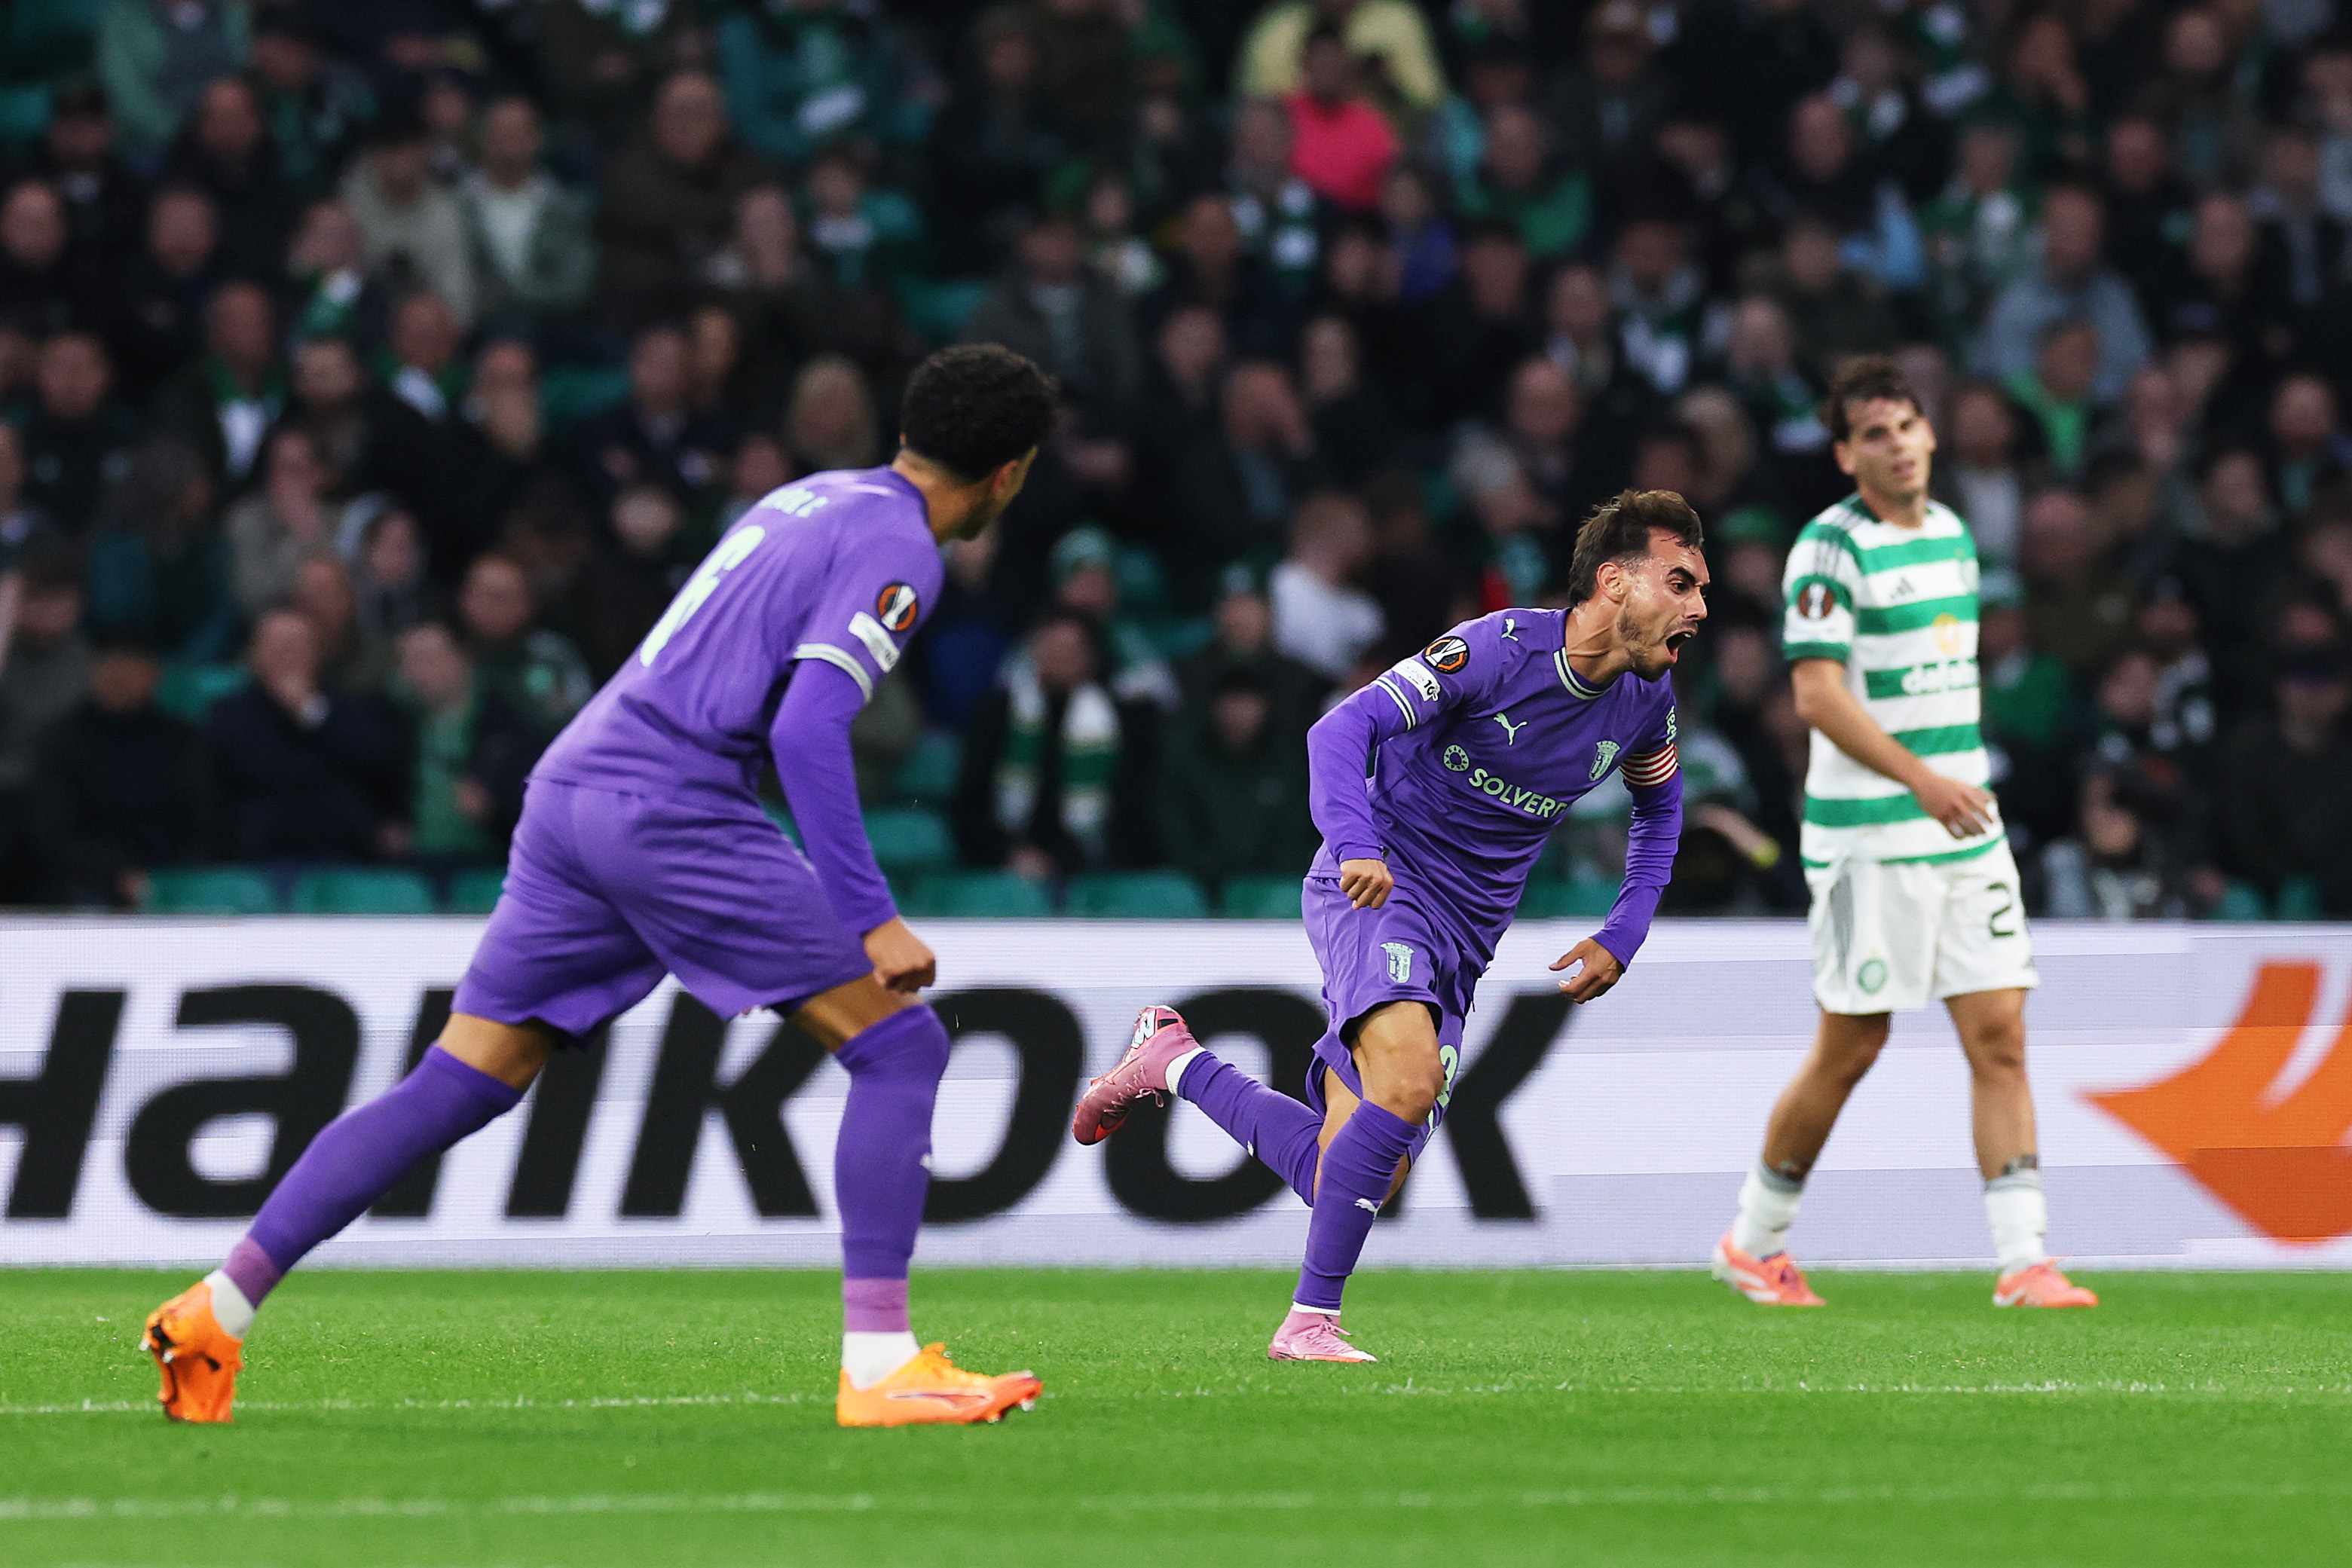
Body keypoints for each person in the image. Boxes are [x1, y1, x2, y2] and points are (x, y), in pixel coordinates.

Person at [141, 344, 1060, 1429]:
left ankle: (219, 1306)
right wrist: (870, 915)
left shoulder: (807, 497)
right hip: (673, 803)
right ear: (1011, 472)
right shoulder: (900, 543)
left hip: (578, 786)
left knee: (462, 1080)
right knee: (901, 1043)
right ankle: (879, 1363)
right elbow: (810, 725)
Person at [1073, 489, 1708, 1362]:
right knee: (1406, 1084)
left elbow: (1659, 813)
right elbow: (1341, 727)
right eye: (1681, 581)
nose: (1699, 607)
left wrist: (1623, 930)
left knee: (1359, 1167)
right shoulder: (1495, 649)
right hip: (1381, 885)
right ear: (1613, 580)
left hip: (1465, 937)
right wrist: (1355, 841)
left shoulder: (1645, 698)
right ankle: (1310, 1322)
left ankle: (1173, 1059)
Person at [1711, 357, 2097, 1312]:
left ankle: (2024, 1259)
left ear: (1930, 434)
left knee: (2000, 1031)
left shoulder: (1955, 538)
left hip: (1962, 826)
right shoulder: (1826, 552)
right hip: (1868, 835)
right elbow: (1815, 693)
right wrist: (1920, 776)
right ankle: (1752, 1240)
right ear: (1846, 454)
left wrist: (1949, 782)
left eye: (1907, 425)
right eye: (1873, 433)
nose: (1896, 444)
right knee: (1851, 1043)